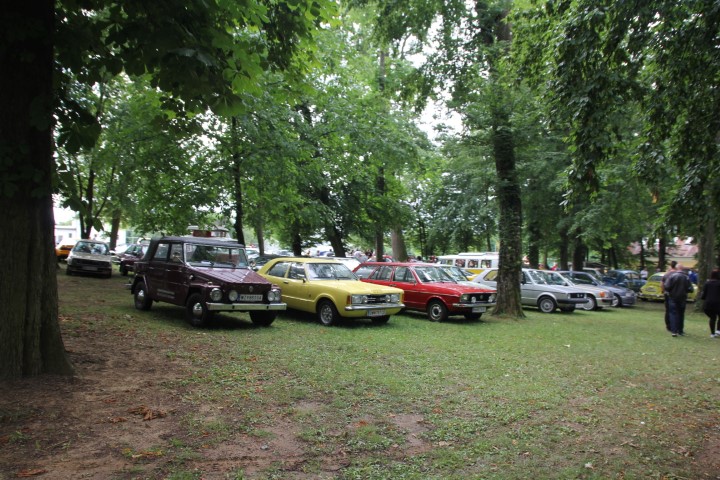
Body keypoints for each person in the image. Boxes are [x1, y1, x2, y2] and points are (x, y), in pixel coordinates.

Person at [664, 262, 692, 337]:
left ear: (676, 268)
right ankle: (680, 330)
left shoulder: (672, 276)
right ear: (682, 269)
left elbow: (666, 286)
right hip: (682, 298)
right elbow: (690, 289)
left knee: (673, 313)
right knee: (681, 314)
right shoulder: (686, 277)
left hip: (673, 297)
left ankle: (674, 331)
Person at [701, 269, 720, 338]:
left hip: (708, 303)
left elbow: (704, 294)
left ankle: (712, 333)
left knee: (712, 318)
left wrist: (703, 298)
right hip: (718, 303)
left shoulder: (707, 283)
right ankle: (718, 330)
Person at [661, 261, 678, 332]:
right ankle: (676, 326)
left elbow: (662, 284)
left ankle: (668, 326)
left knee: (668, 310)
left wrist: (664, 291)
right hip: (676, 294)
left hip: (667, 294)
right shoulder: (678, 274)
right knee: (676, 311)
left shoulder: (666, 274)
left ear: (671, 266)